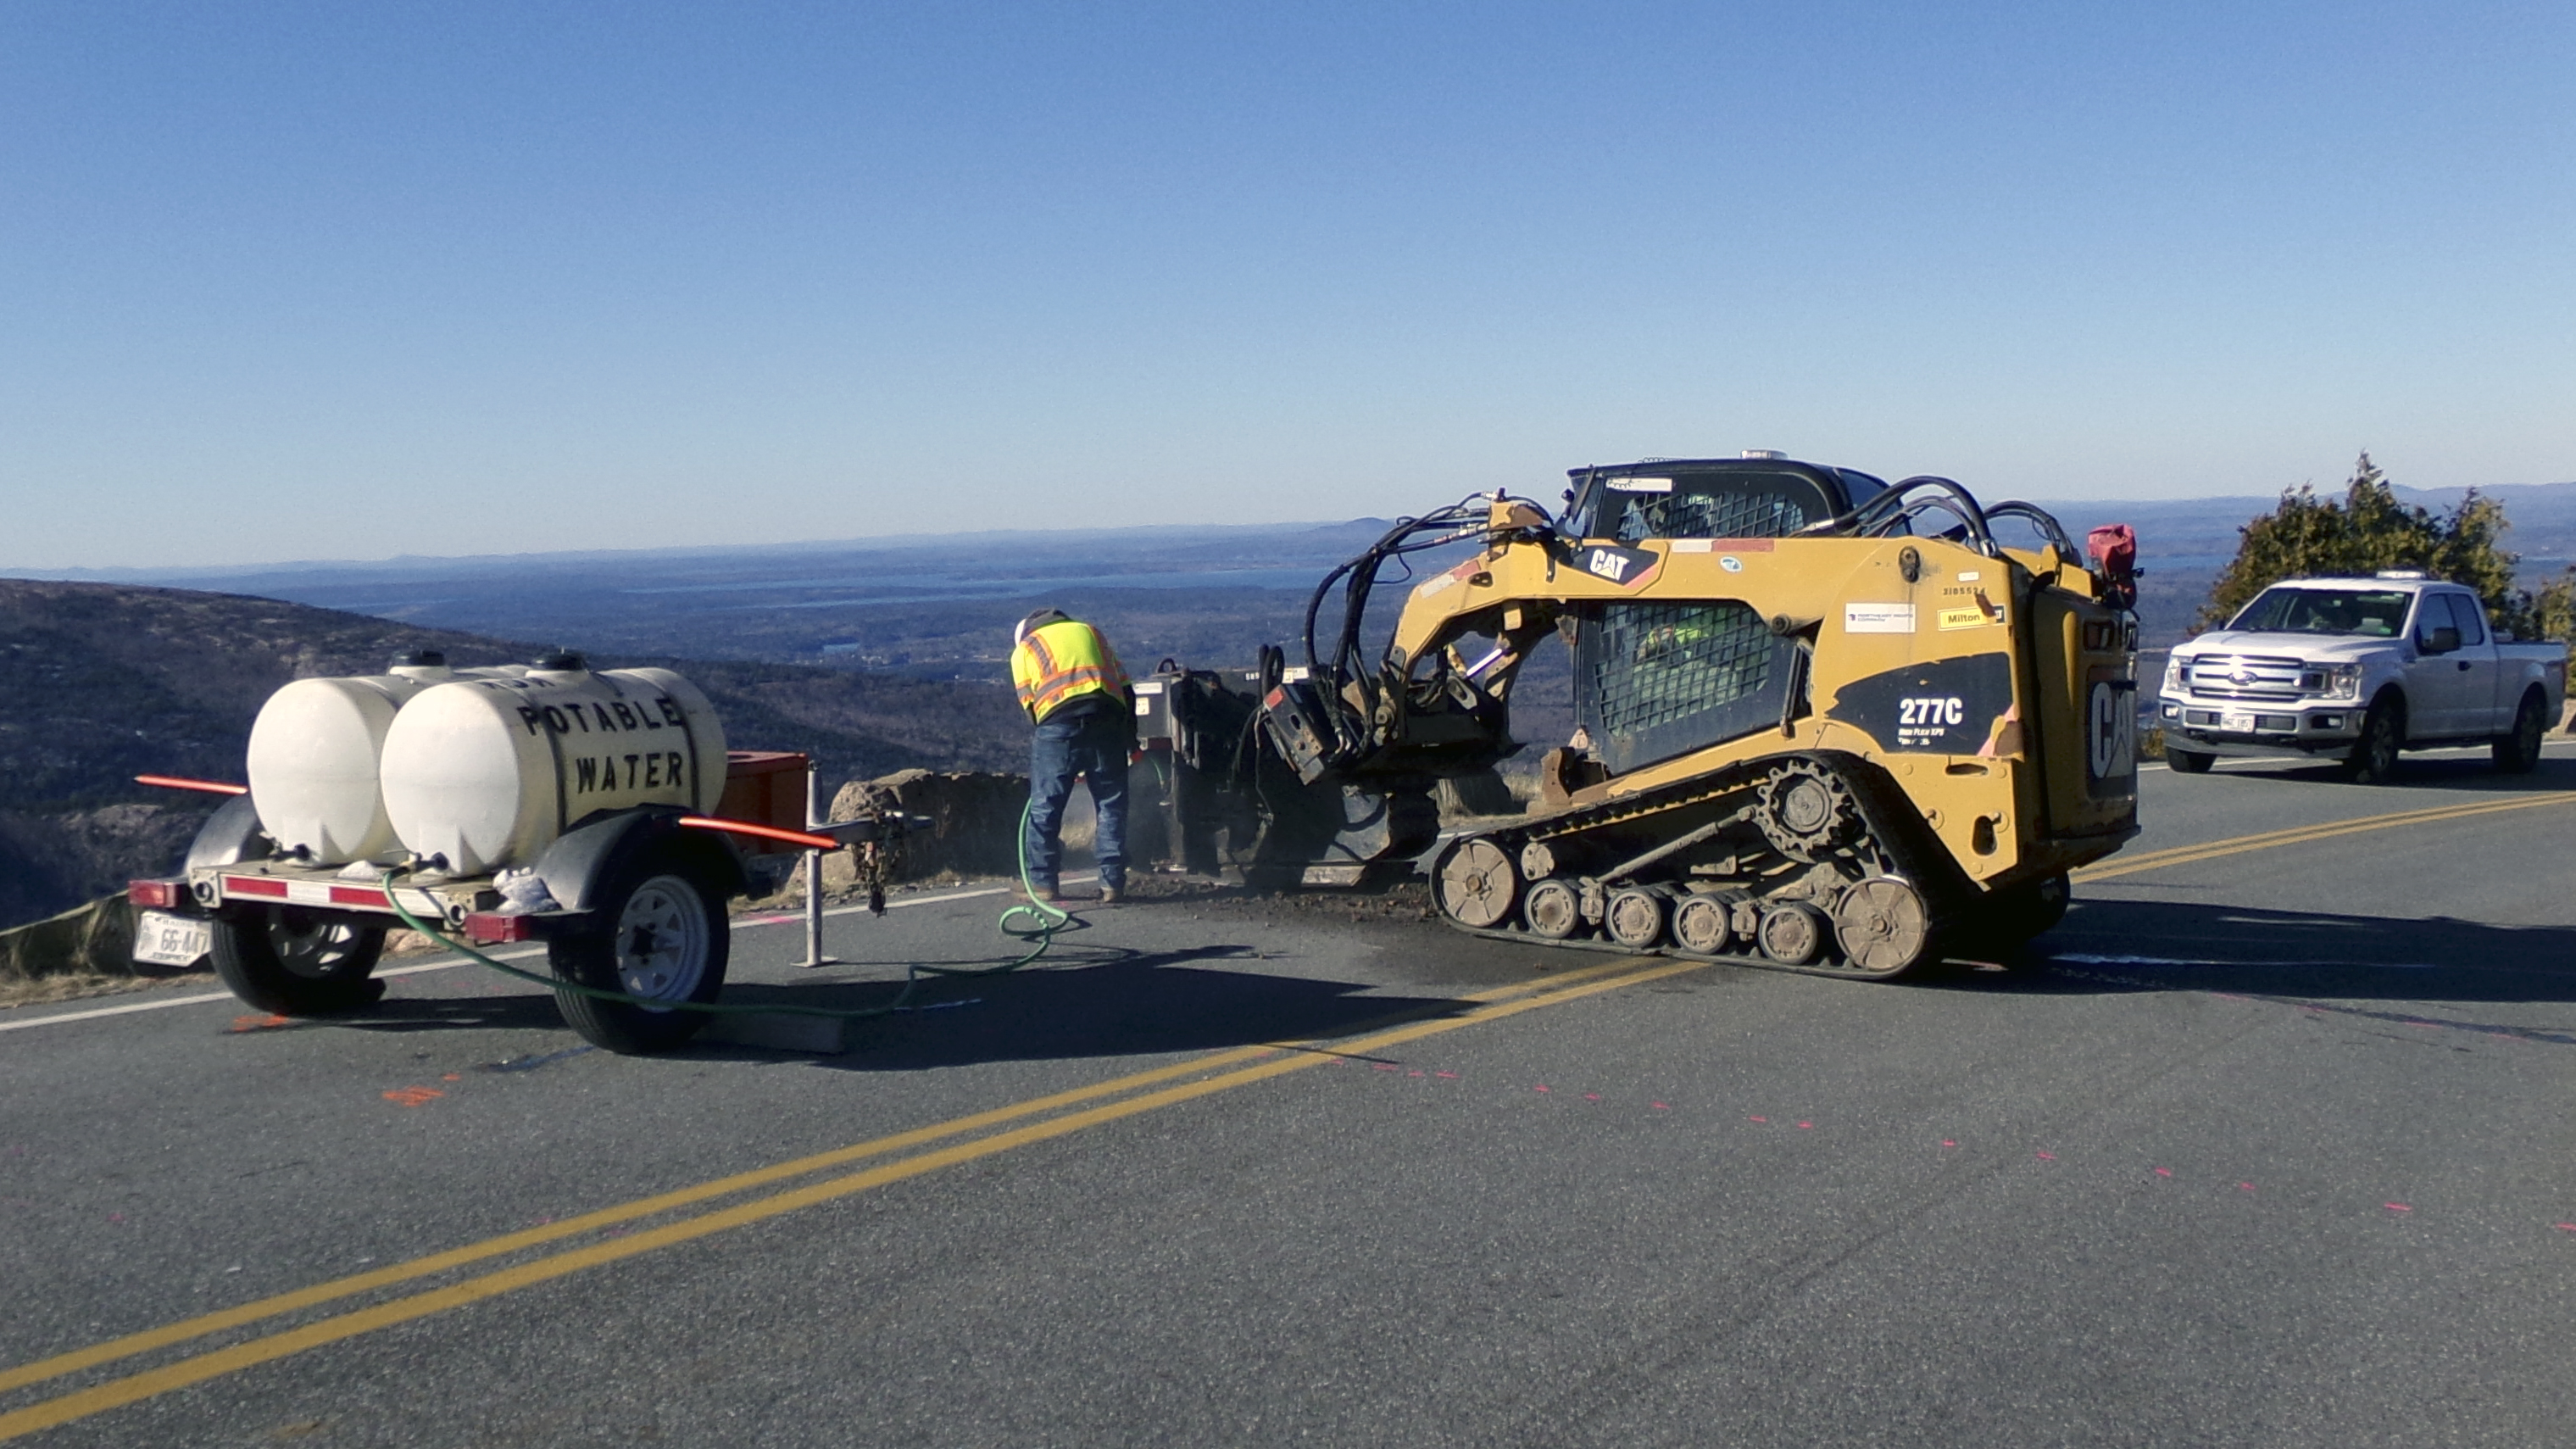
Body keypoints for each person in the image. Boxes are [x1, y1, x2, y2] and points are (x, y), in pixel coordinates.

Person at [1009, 608, 1134, 904]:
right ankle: (1112, 884)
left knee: (1045, 807)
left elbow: (1030, 709)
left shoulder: (1025, 649)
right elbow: (1127, 689)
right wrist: (1129, 737)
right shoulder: (1091, 631)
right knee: (1111, 805)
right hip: (1108, 722)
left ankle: (1042, 883)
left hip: (1059, 727)